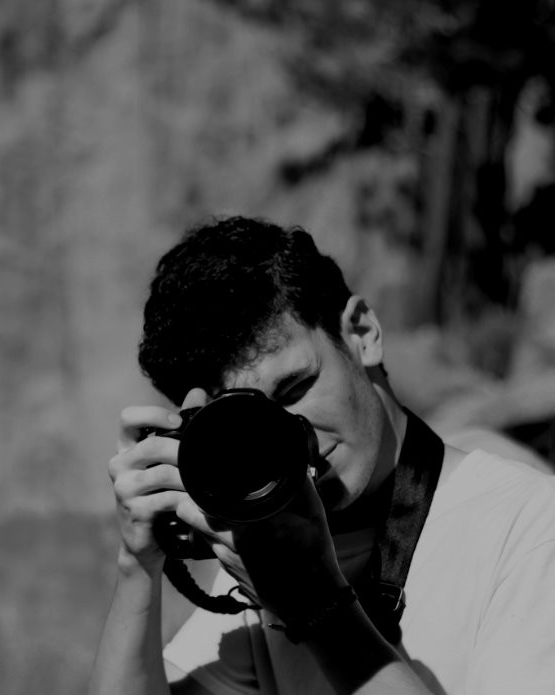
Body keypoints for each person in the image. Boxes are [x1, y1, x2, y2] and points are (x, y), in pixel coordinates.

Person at [88, 216, 555, 695]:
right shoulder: (266, 562)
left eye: (295, 388)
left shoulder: (530, 528)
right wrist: (137, 565)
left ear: (363, 332)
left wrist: (316, 609)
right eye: (250, 428)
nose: (290, 436)